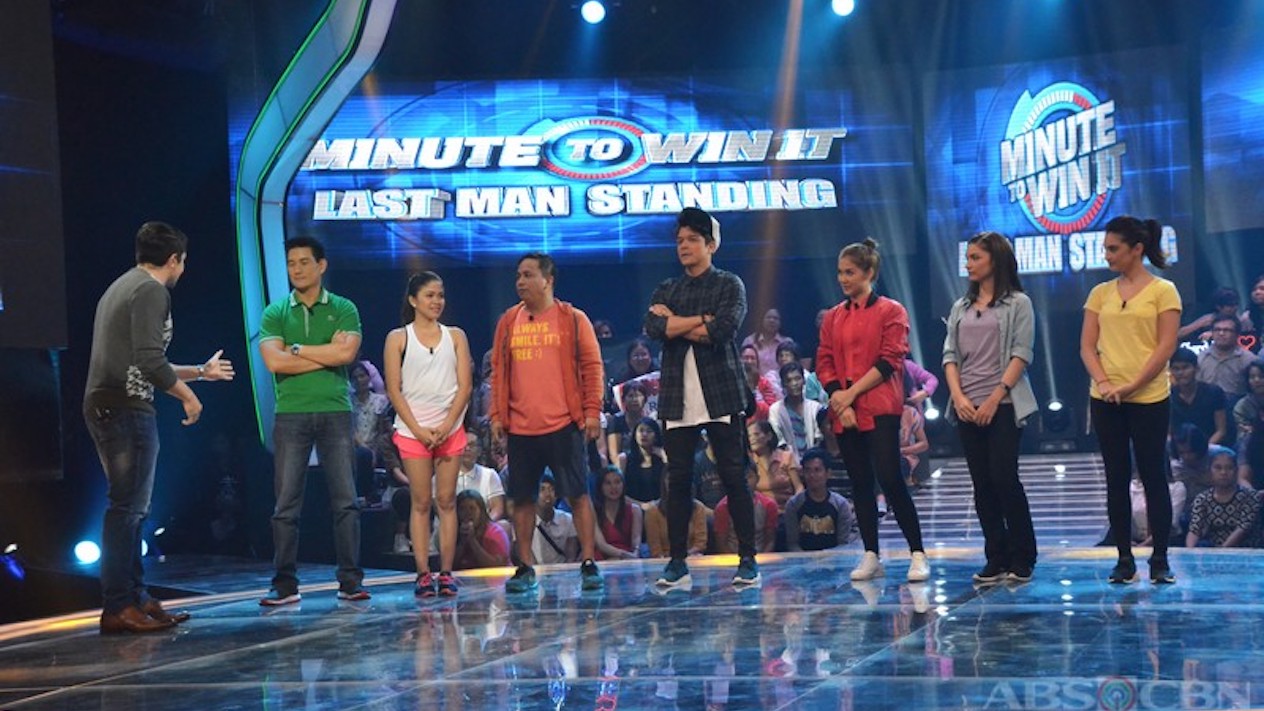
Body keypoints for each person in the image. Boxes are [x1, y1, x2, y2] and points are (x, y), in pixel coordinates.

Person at [85, 221, 234, 633]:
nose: (182, 269)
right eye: (183, 262)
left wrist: (200, 372)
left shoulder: (123, 285)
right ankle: (118, 604)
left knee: (133, 508)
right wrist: (189, 396)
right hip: (124, 407)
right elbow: (150, 362)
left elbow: (142, 361)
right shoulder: (151, 291)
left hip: (111, 403)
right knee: (127, 509)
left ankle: (136, 597)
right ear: (173, 260)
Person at [645, 206, 761, 589]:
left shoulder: (729, 284)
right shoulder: (667, 288)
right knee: (677, 480)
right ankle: (677, 563)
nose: (684, 246)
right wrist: (700, 320)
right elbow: (654, 327)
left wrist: (676, 323)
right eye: (680, 240)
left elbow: (723, 330)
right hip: (677, 398)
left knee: (733, 476)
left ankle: (748, 559)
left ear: (711, 245)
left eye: (692, 240)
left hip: (720, 393)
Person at [258, 236, 369, 605]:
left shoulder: (344, 308)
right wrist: (326, 352)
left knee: (346, 501)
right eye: (291, 263)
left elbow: (347, 354)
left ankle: (350, 581)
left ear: (321, 266)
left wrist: (297, 349)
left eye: (304, 262)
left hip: (335, 410)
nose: (297, 269)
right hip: (290, 413)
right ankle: (284, 584)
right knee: (285, 505)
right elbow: (273, 361)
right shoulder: (275, 312)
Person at [490, 252, 605, 592]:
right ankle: (525, 566)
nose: (520, 282)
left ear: (548, 280)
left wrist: (592, 411)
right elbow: (498, 371)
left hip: (563, 424)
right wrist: (497, 415)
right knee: (522, 499)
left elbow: (592, 367)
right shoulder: (508, 321)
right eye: (518, 276)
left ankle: (588, 562)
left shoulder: (573, 319)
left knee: (578, 494)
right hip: (521, 427)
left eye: (528, 275)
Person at [817, 238, 928, 583]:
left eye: (850, 272)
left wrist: (850, 395)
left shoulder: (891, 311)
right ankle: (870, 554)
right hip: (844, 410)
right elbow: (824, 360)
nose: (843, 279)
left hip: (879, 405)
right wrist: (839, 399)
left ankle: (917, 553)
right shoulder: (833, 316)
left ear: (869, 273)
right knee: (860, 482)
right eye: (840, 272)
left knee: (891, 478)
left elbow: (890, 359)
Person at [1080, 216, 1181, 585]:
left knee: (1153, 474)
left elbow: (1165, 346)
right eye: (1105, 249)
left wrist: (1133, 385)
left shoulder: (1164, 291)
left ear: (1137, 249)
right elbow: (1087, 347)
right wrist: (1106, 383)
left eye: (1113, 249)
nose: (1107, 255)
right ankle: (1123, 558)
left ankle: (1160, 559)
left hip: (1149, 397)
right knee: (1116, 476)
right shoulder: (1100, 293)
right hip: (1106, 398)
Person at [941, 231, 1039, 584]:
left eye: (975, 257)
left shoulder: (1018, 303)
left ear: (995, 260)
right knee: (981, 484)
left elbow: (1021, 354)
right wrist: (959, 397)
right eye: (967, 257)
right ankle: (995, 556)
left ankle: (1023, 555)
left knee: (1003, 477)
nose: (968, 264)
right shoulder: (960, 307)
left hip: (1004, 404)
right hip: (967, 405)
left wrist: (995, 398)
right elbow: (950, 355)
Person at [384, 272, 473, 598]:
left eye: (440, 295)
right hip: (413, 431)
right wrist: (420, 430)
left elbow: (465, 386)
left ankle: (446, 572)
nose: (437, 301)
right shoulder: (398, 338)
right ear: (413, 300)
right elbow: (394, 390)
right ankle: (423, 573)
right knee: (421, 502)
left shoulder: (456, 336)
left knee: (446, 501)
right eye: (430, 295)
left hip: (450, 429)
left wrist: (447, 426)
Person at [1186, 446, 1262, 548]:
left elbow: (1243, 528)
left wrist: (1222, 550)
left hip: (1249, 552)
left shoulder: (1250, 497)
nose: (1223, 472)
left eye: (1229, 468)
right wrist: (1190, 550)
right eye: (1218, 468)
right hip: (1215, 552)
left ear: (1236, 471)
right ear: (1209, 471)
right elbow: (1195, 529)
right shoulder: (1202, 499)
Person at [783, 448, 857, 552]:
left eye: (817, 470)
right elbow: (793, 543)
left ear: (828, 473)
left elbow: (843, 543)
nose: (812, 475)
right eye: (808, 470)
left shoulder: (841, 505)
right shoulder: (793, 505)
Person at [1169, 347, 1230, 445]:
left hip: (1211, 446)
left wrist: (1204, 449)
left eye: (1185, 368)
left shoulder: (1214, 392)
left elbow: (1221, 431)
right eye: (1176, 369)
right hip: (1179, 448)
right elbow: (1168, 432)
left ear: (1196, 368)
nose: (1180, 373)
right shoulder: (1168, 396)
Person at [769, 362, 825, 464]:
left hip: (813, 462)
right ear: (783, 384)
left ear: (804, 380)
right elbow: (779, 441)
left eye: (797, 379)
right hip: (787, 464)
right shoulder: (775, 410)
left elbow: (819, 439)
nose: (794, 383)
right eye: (789, 380)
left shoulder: (815, 407)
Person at [714, 467, 779, 554]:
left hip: (761, 555)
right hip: (731, 556)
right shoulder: (723, 507)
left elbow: (770, 541)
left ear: (757, 479)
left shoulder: (769, 505)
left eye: (749, 476)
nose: (745, 481)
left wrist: (762, 558)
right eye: (740, 476)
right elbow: (721, 544)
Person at [643, 477, 710, 558]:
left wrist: (684, 555)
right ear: (664, 483)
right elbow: (655, 550)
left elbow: (700, 544)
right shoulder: (652, 512)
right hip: (664, 559)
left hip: (692, 557)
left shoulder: (698, 508)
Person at [747, 419, 803, 511]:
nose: (752, 439)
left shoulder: (786, 457)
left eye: (756, 434)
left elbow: (799, 487)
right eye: (749, 436)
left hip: (787, 510)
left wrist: (793, 506)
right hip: (762, 513)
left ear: (769, 436)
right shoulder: (749, 462)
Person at [1197, 316, 1254, 401]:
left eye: (1227, 330)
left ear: (1237, 334)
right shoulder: (1201, 357)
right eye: (1217, 330)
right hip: (1206, 404)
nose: (1221, 333)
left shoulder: (1249, 359)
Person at [453, 490, 512, 570]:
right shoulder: (453, 533)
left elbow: (498, 566)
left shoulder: (495, 532)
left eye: (472, 508)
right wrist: (462, 543)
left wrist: (473, 541)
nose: (467, 513)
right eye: (462, 509)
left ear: (481, 511)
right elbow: (450, 566)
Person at [593, 466, 643, 560]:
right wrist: (623, 555)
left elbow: (636, 539)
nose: (613, 487)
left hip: (628, 558)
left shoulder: (634, 510)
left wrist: (635, 553)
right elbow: (601, 544)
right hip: (602, 558)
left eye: (617, 482)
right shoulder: (593, 511)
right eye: (608, 483)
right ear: (601, 487)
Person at [532, 473, 579, 565]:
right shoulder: (525, 522)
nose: (547, 494)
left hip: (562, 570)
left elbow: (571, 556)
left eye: (552, 489)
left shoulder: (568, 520)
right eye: (542, 489)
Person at [618, 417, 666, 504]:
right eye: (641, 430)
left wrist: (664, 456)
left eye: (649, 431)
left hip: (659, 506)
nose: (644, 434)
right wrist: (641, 505)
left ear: (656, 436)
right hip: (632, 506)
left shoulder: (662, 459)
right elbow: (619, 492)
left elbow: (671, 487)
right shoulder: (624, 459)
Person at [1177, 286, 1244, 340]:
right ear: (1218, 306)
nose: (1235, 308)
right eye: (1230, 305)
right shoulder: (1208, 319)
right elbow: (1180, 334)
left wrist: (1214, 334)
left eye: (1236, 304)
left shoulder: (1239, 320)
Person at [742, 308, 793, 374]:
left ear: (780, 322)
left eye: (775, 318)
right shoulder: (750, 341)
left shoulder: (787, 342)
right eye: (768, 317)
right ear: (762, 320)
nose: (772, 320)